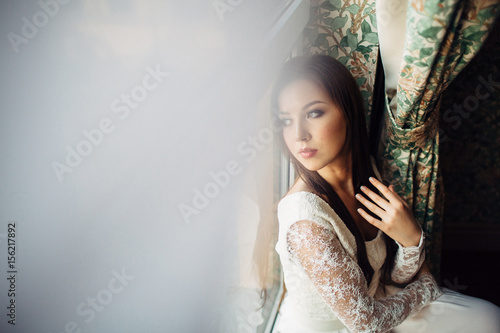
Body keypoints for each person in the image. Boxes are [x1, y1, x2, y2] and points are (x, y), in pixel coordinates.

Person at [271, 55, 500, 333]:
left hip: (381, 304)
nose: (299, 135)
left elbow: (389, 277)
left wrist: (410, 240)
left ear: (348, 111)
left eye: (313, 113)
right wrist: (426, 288)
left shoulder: (365, 171)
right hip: (344, 327)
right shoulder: (304, 222)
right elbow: (366, 323)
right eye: (285, 120)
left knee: (490, 319)